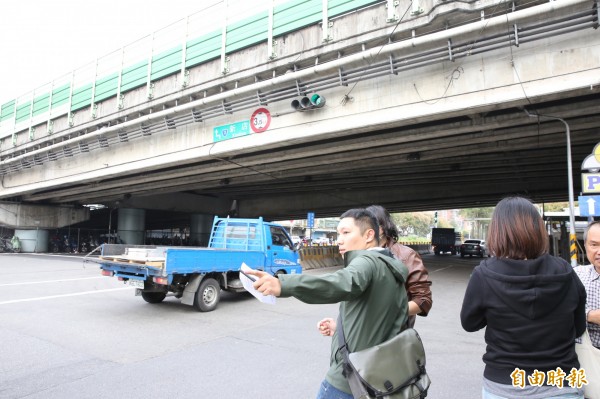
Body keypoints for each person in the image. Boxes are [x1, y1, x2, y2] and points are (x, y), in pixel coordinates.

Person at [247, 208, 409, 399]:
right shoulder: (389, 266)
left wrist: (282, 284)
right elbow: (379, 322)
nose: (339, 239)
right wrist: (340, 329)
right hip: (376, 376)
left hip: (348, 380)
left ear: (369, 235)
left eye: (346, 233)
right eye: (339, 233)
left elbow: (340, 282)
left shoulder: (366, 262)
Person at [460, 196, 586, 399]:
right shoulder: (566, 271)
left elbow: (470, 323)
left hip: (504, 384)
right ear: (537, 230)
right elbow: (578, 328)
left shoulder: (484, 275)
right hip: (562, 383)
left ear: (498, 231)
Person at [366, 204, 432, 326]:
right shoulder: (359, 255)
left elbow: (423, 300)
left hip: (393, 336)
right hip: (360, 336)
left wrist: (389, 312)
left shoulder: (407, 255)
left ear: (380, 229)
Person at [574, 220, 600, 348]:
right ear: (585, 246)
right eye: (594, 245)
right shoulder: (576, 276)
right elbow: (563, 310)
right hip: (584, 355)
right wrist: (590, 315)